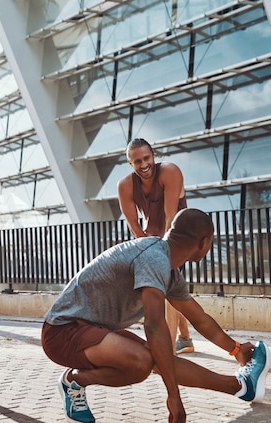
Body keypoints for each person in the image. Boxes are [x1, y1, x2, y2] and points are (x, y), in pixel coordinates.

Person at [42, 208, 269, 423]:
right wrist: (173, 395)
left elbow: (199, 319)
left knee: (154, 359)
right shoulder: (154, 258)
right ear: (204, 242)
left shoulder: (168, 270)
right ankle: (74, 380)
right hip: (62, 331)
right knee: (143, 361)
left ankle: (241, 387)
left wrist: (237, 350)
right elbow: (154, 325)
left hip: (90, 330)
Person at [117, 138, 194, 355]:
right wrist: (145, 249)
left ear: (154, 156)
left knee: (166, 289)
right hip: (151, 239)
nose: (143, 164)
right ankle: (185, 339)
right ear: (130, 163)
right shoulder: (125, 186)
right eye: (137, 161)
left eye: (146, 158)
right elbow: (134, 224)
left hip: (177, 238)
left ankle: (166, 350)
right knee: (169, 288)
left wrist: (162, 254)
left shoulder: (170, 172)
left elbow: (171, 219)